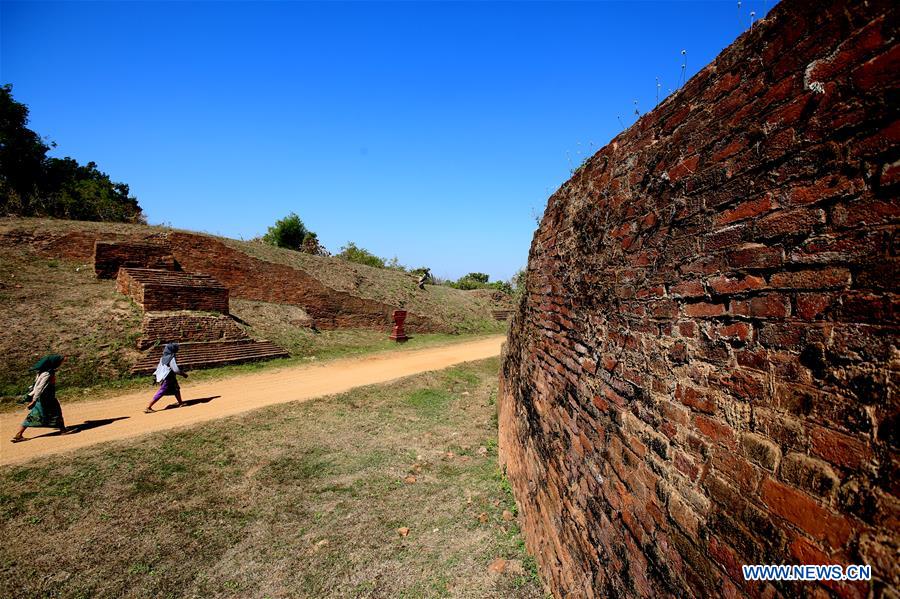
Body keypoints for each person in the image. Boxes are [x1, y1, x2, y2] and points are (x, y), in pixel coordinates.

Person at [11, 354, 69, 442]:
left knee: (35, 415)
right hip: (47, 398)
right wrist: (33, 400)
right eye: (60, 362)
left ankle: (19, 434)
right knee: (56, 412)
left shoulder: (42, 372)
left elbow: (35, 386)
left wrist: (31, 396)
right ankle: (63, 430)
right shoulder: (48, 374)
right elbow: (39, 387)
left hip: (44, 398)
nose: (61, 363)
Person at [145, 343, 188, 413]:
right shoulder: (171, 358)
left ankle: (180, 403)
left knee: (176, 389)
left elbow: (159, 368)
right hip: (168, 378)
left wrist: (156, 376)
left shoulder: (162, 358)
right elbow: (176, 370)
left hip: (168, 378)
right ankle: (148, 407)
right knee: (161, 391)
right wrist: (183, 374)